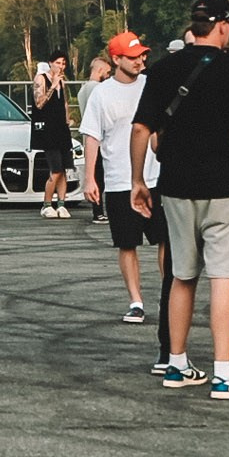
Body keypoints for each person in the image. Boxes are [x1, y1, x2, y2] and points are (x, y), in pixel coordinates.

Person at [128, 0, 229, 399]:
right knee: (224, 274)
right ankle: (225, 372)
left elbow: (141, 128)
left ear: (195, 26)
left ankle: (176, 364)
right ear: (224, 26)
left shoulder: (163, 70)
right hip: (223, 186)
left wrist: (139, 180)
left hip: (175, 186)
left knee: (182, 275)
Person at [83, 32, 164, 324]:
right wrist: (90, 177)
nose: (140, 60)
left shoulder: (151, 85)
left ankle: (170, 295)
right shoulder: (101, 94)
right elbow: (92, 136)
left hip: (155, 178)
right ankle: (136, 301)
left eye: (142, 55)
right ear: (116, 60)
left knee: (166, 240)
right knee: (127, 244)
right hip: (119, 180)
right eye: (133, 56)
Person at [31, 49, 76, 217]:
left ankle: (62, 203)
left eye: (63, 63)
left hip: (61, 129)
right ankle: (47, 203)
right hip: (48, 129)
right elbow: (39, 103)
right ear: (50, 63)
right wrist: (53, 86)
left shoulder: (62, 82)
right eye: (58, 63)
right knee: (55, 169)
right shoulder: (41, 79)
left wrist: (68, 120)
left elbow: (64, 103)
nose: (61, 66)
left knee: (64, 168)